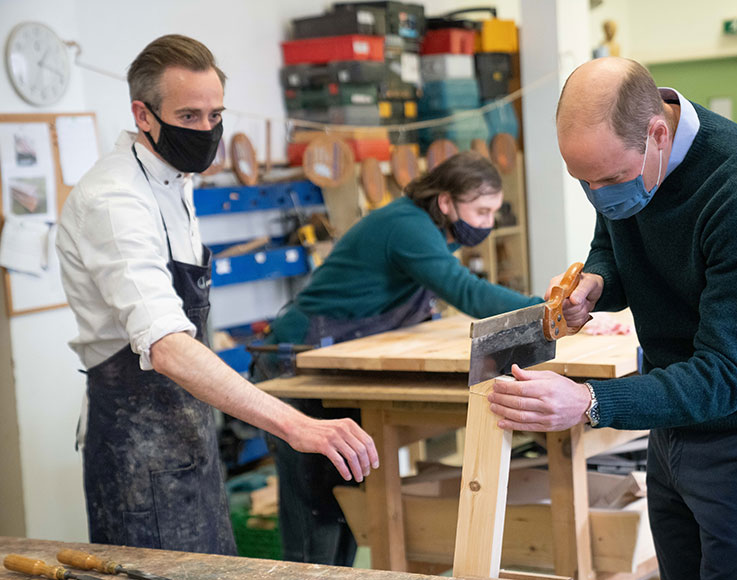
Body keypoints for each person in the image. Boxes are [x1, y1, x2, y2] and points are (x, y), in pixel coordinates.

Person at [486, 57, 737, 580]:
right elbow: (613, 235)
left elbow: (725, 375)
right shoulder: (627, 168)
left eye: (610, 178)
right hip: (676, 416)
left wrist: (589, 401)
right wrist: (598, 282)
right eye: (583, 181)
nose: (600, 195)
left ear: (657, 133)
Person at [56, 35, 378, 555]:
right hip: (138, 451)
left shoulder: (174, 181)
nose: (206, 130)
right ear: (143, 114)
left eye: (214, 115)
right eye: (189, 116)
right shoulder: (114, 202)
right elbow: (166, 345)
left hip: (190, 436)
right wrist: (294, 424)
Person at [261, 150, 542, 565]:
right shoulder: (407, 227)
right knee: (315, 512)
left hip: (334, 362)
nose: (486, 223)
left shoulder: (425, 228)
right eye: (481, 211)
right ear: (446, 203)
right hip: (297, 361)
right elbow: (467, 292)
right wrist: (546, 312)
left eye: (492, 213)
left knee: (343, 501)